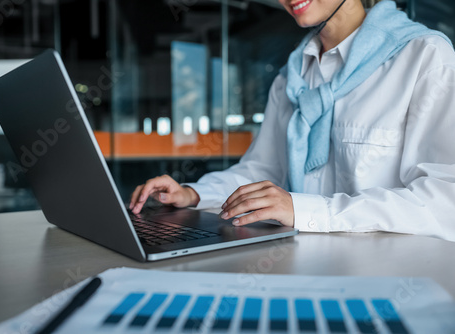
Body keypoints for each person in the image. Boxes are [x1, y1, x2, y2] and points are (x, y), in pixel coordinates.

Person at [130, 0, 455, 242]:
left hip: (390, 276)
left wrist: (305, 210)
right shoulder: (292, 77)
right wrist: (193, 195)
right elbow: (261, 171)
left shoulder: (424, 57)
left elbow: (443, 200)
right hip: (301, 263)